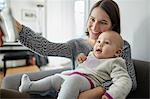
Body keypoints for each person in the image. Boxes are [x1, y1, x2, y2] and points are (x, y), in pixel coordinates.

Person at [0, 0, 136, 99]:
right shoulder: (77, 45)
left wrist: (99, 91)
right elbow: (46, 48)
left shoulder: (121, 46)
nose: (94, 27)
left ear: (114, 25)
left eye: (103, 22)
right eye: (92, 19)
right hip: (61, 90)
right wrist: (19, 29)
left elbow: (130, 81)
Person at [19, 31, 132, 99]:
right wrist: (81, 58)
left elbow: (124, 81)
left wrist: (111, 95)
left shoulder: (116, 62)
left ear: (117, 52)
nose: (100, 44)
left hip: (90, 81)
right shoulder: (92, 54)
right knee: (55, 79)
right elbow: (85, 66)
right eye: (99, 41)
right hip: (73, 77)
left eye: (106, 43)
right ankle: (29, 86)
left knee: (74, 80)